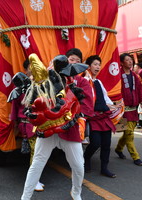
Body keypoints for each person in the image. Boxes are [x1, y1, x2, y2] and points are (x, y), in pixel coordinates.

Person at [21, 54, 94, 200]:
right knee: (37, 163)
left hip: (69, 129)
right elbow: (30, 103)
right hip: (46, 130)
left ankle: (76, 192)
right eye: (71, 59)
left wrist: (75, 112)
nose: (73, 63)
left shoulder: (82, 82)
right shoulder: (42, 80)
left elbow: (87, 106)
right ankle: (25, 197)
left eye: (76, 61)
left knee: (78, 166)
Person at [11, 59, 45, 192]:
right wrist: (14, 123)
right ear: (26, 70)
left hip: (39, 122)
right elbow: (14, 107)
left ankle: (36, 178)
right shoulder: (19, 87)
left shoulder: (40, 85)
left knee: (39, 152)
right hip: (27, 123)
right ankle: (33, 180)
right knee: (35, 152)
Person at [83, 55, 117, 177]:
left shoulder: (98, 82)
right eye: (95, 64)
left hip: (104, 116)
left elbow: (105, 97)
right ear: (88, 66)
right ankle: (86, 158)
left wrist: (112, 105)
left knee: (106, 144)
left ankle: (104, 168)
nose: (97, 67)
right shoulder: (84, 81)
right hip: (93, 118)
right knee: (95, 143)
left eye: (99, 64)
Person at [114, 53, 142, 166]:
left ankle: (118, 148)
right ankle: (135, 157)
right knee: (129, 134)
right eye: (127, 60)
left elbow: (140, 90)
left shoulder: (134, 76)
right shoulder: (117, 75)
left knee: (128, 132)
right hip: (123, 109)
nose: (130, 61)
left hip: (133, 109)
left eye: (131, 59)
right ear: (121, 63)